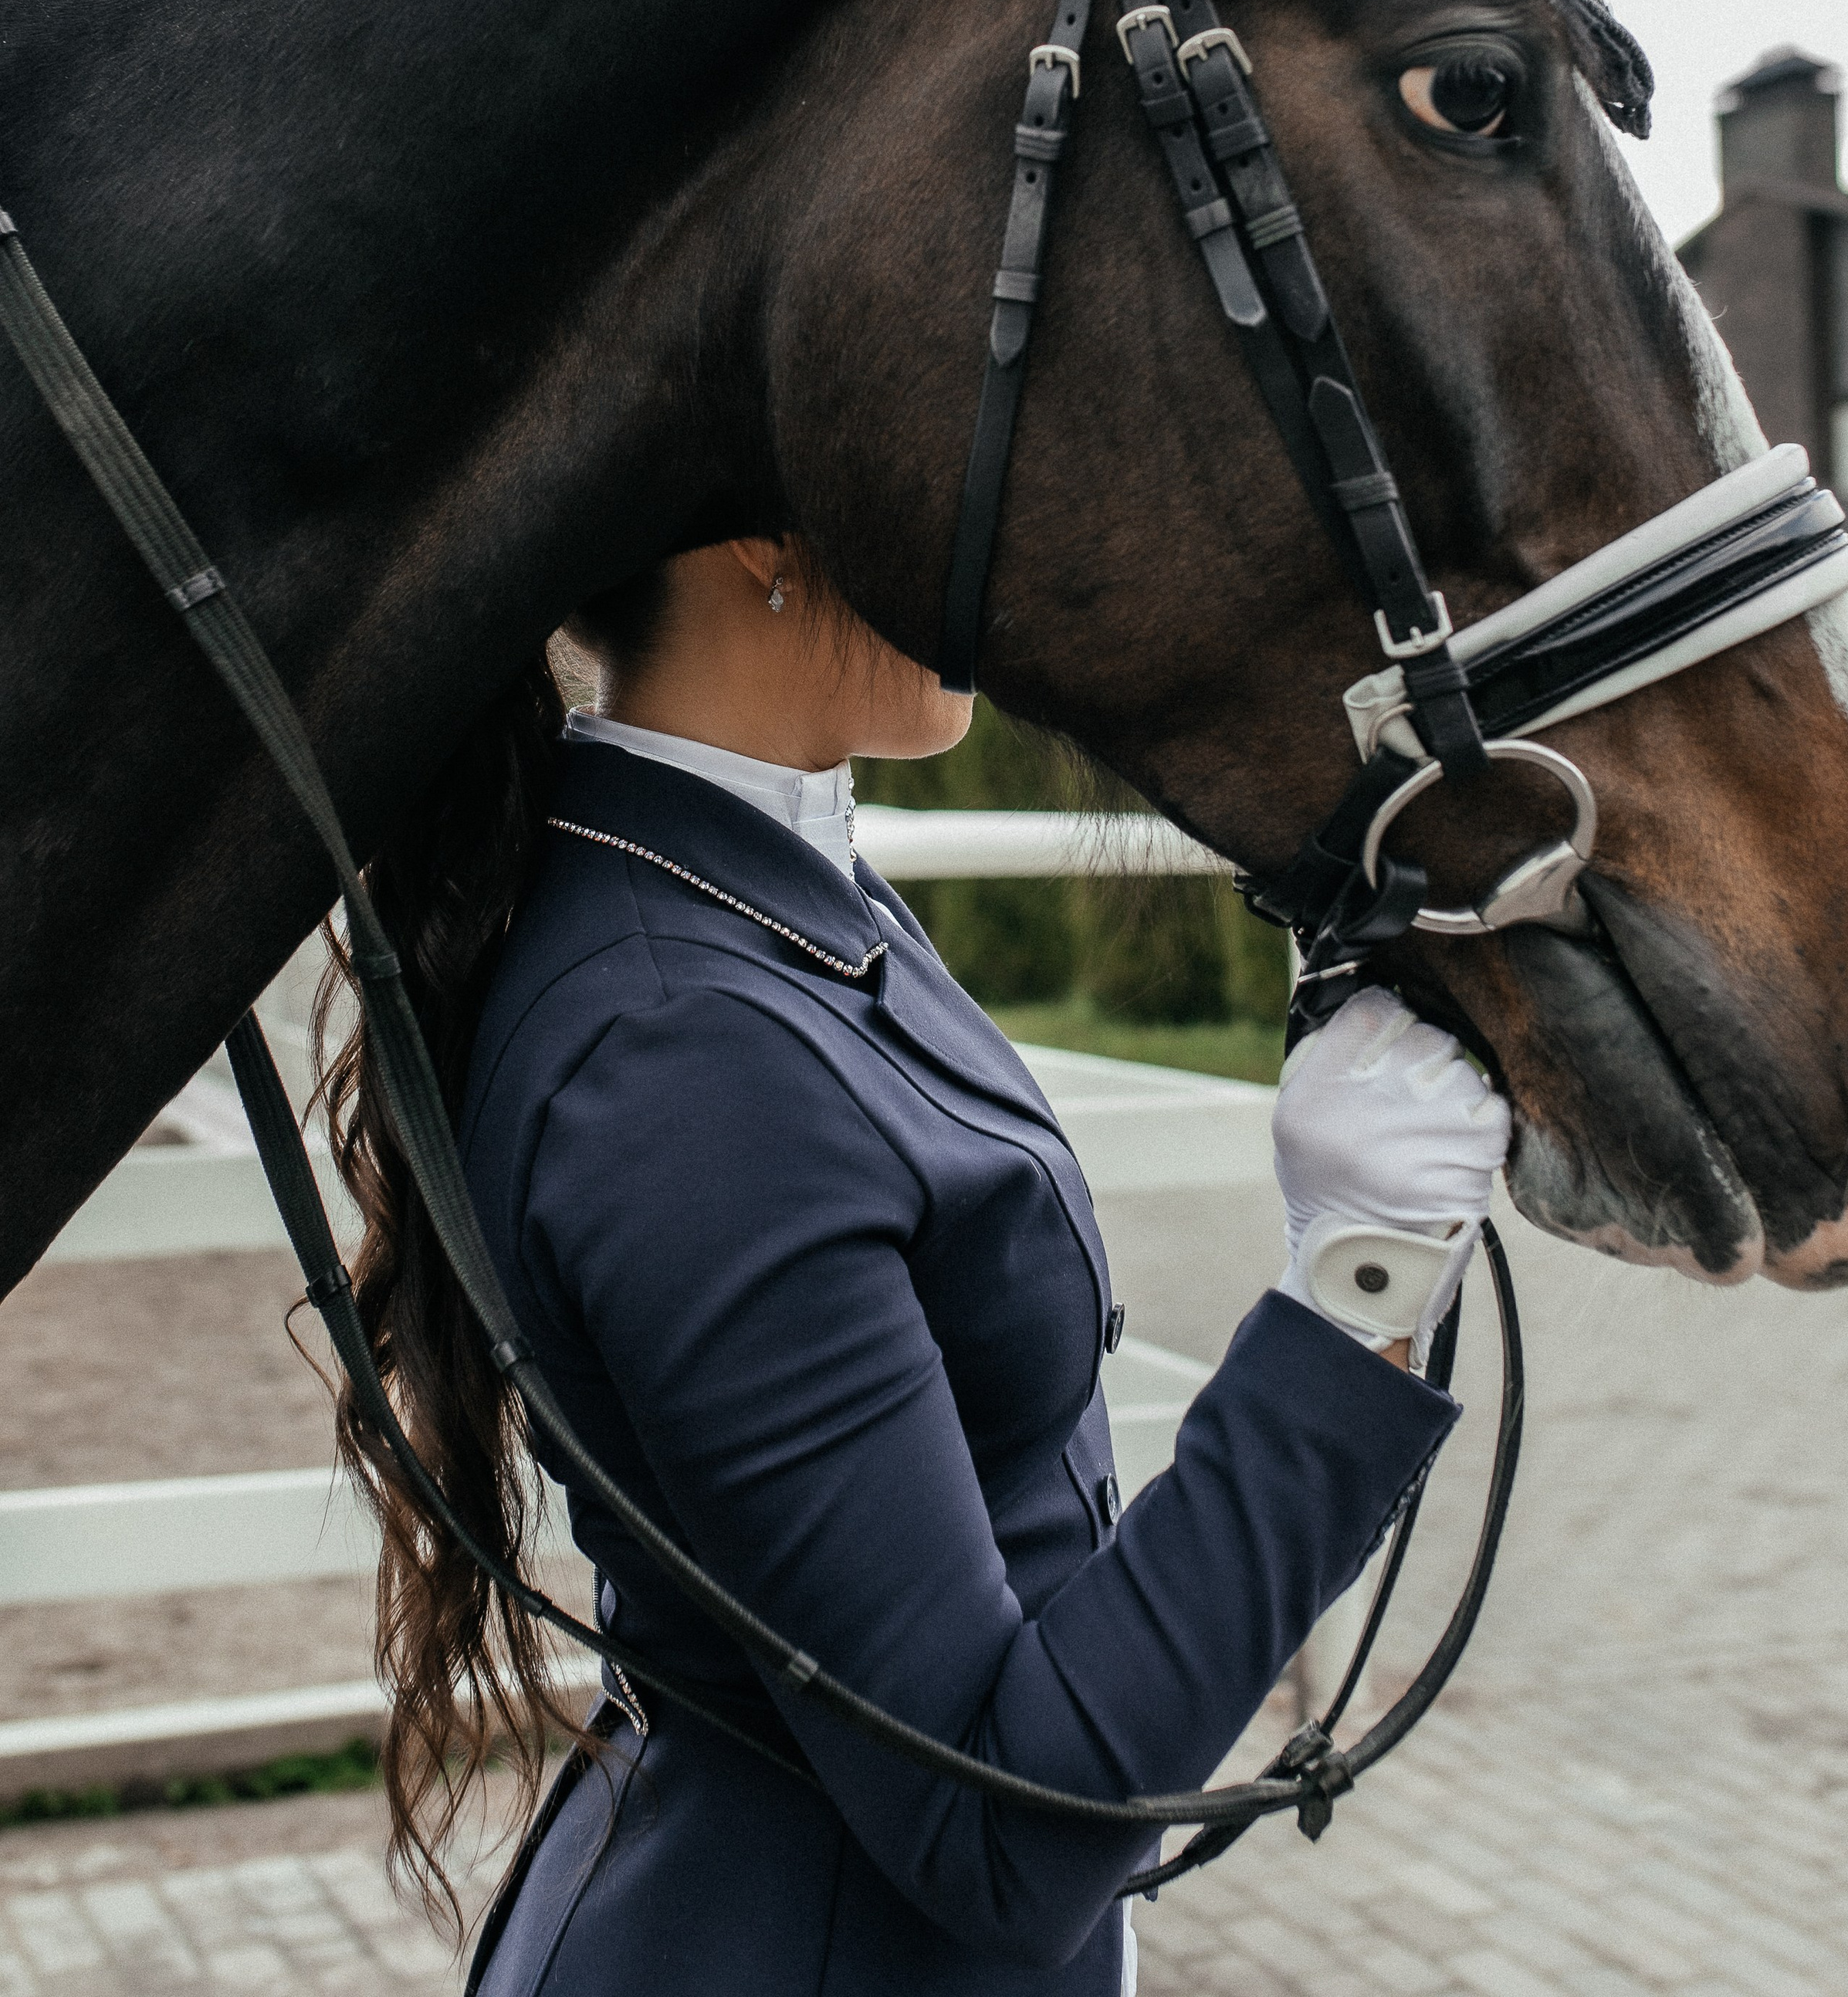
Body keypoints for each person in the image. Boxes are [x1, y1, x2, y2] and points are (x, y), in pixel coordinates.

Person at [319, 536, 1508, 1996]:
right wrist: (1358, 1288)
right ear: (763, 542)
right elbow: (997, 1829)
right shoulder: (685, 1050)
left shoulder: (767, 890)